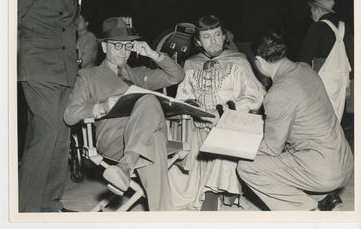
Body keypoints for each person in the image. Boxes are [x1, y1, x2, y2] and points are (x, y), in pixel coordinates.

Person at [64, 17, 185, 211]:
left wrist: (153, 54)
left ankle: (125, 168)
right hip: (115, 141)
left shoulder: (140, 74)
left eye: (128, 46)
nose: (123, 51)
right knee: (154, 139)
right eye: (118, 45)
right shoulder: (89, 76)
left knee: (148, 102)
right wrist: (102, 106)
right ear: (105, 48)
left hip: (136, 145)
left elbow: (177, 76)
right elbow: (69, 114)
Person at [17, 0, 102, 212]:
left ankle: (50, 205)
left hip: (64, 73)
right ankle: (28, 209)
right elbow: (10, 17)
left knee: (61, 137)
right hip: (38, 66)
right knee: (46, 135)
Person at [237, 31, 354, 211]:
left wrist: (238, 146)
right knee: (288, 151)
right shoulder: (305, 69)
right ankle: (325, 198)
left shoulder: (278, 93)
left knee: (247, 167)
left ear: (258, 61)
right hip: (344, 160)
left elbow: (271, 149)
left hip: (326, 170)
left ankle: (312, 209)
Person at [168, 15, 266, 210]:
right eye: (206, 37)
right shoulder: (190, 64)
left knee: (223, 144)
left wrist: (225, 112)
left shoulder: (238, 61)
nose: (213, 40)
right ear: (198, 41)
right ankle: (199, 189)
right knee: (177, 172)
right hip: (197, 127)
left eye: (216, 35)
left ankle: (212, 192)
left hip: (229, 125)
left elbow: (255, 96)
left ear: (224, 37)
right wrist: (192, 105)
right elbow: (182, 97)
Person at [298, 0, 353, 121]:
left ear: (318, 10)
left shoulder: (317, 27)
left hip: (323, 76)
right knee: (336, 117)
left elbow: (304, 57)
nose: (311, 13)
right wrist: (349, 81)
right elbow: (353, 57)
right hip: (342, 78)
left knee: (319, 117)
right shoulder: (346, 27)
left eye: (312, 9)